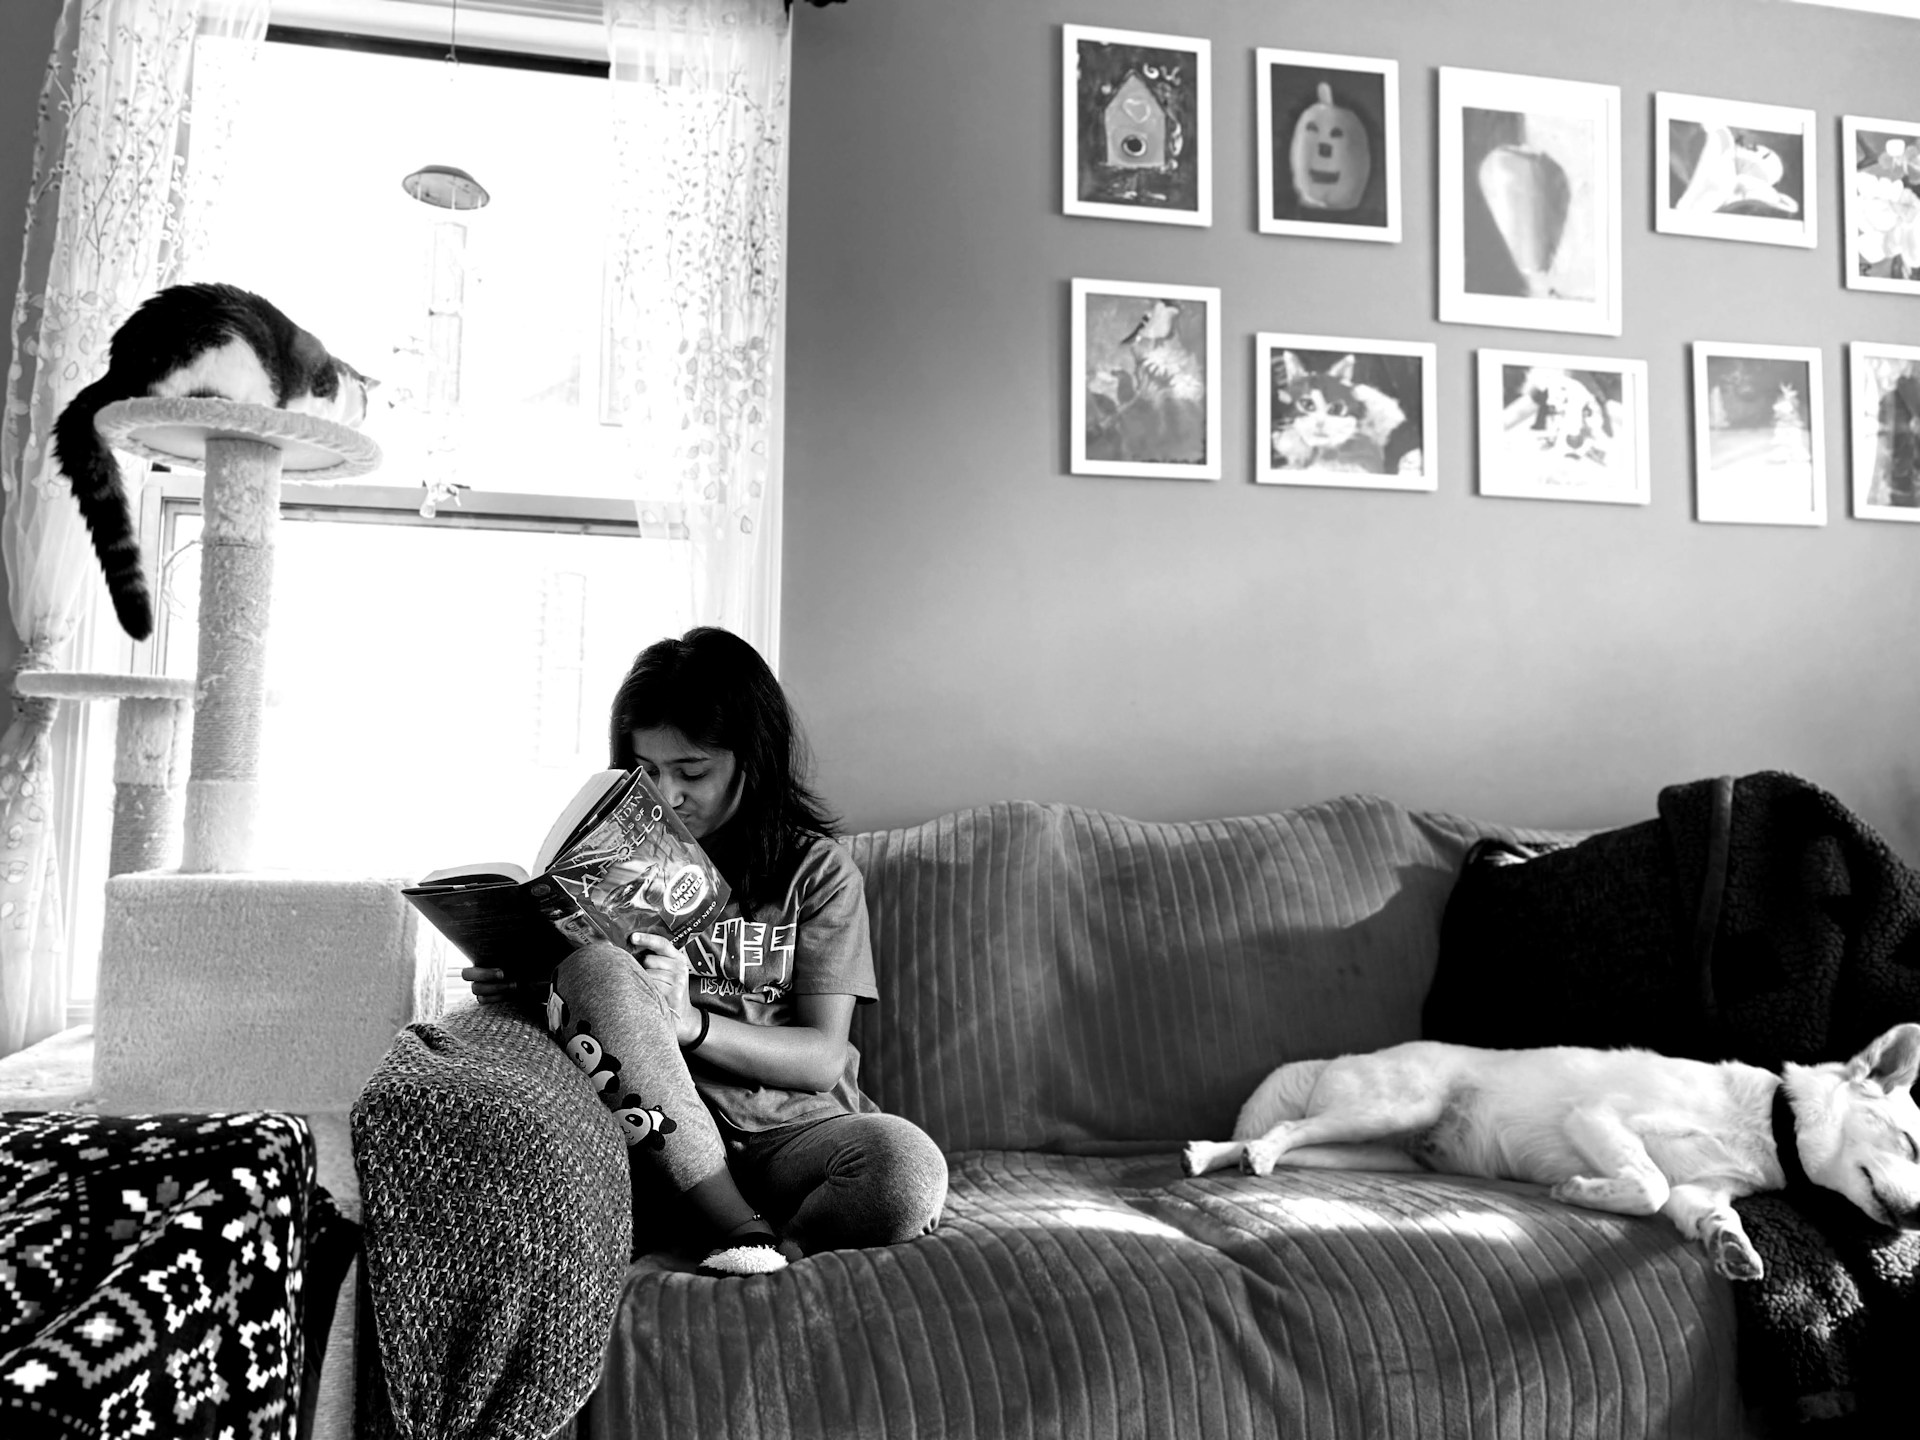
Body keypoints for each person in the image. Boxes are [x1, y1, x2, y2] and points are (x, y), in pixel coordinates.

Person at [465, 626, 948, 1275]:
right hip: (655, 1135)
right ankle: (743, 1231)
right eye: (647, 772)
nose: (668, 795)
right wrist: (522, 984)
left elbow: (821, 1058)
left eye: (692, 771)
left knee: (906, 1168)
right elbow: (599, 1019)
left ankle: (764, 1240)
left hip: (790, 1135)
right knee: (596, 967)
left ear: (753, 759)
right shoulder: (606, 871)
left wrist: (687, 1021)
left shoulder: (818, 873)